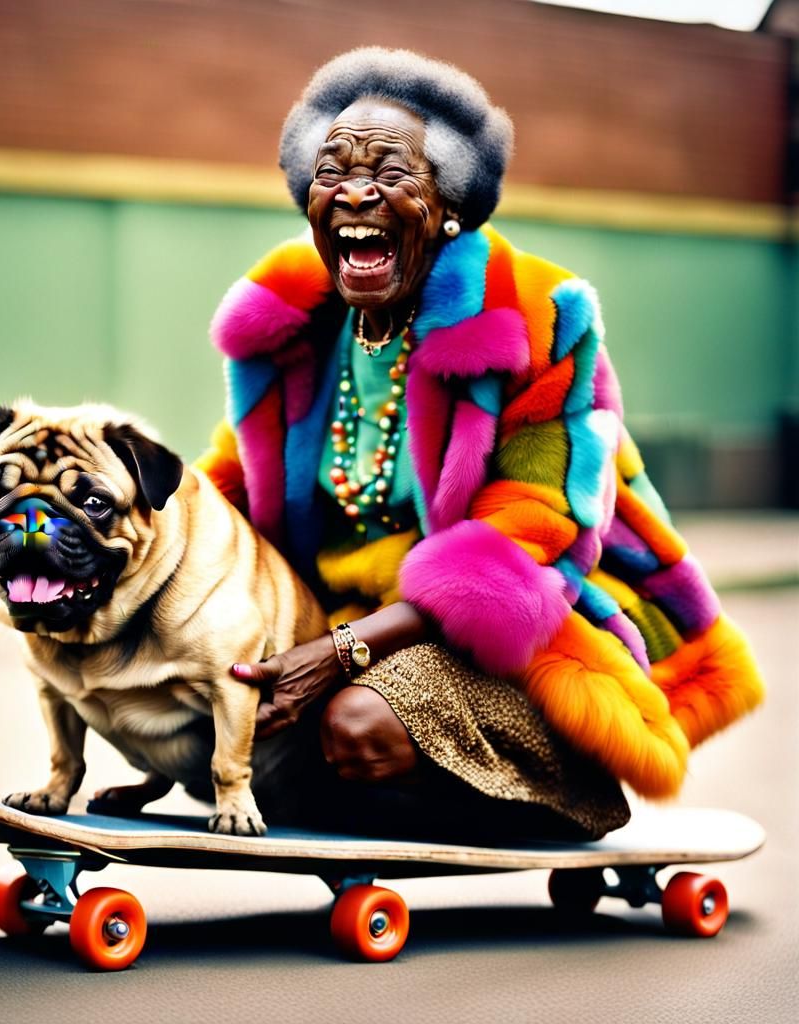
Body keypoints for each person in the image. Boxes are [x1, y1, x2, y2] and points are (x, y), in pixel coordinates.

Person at [196, 47, 764, 841]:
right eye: (334, 170)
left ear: (448, 202)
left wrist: (342, 653)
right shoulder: (291, 328)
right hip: (347, 623)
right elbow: (226, 498)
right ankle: (340, 789)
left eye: (391, 170)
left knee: (358, 724)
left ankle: (576, 794)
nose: (356, 190)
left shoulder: (538, 317)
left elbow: (539, 540)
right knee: (213, 737)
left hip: (529, 633)